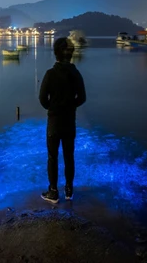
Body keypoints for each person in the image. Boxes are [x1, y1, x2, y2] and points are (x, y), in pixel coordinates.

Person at [39, 37, 86, 203]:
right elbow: (82, 98)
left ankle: (53, 191)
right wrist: (70, 105)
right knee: (69, 155)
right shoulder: (76, 73)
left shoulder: (50, 74)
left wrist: (53, 107)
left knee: (52, 156)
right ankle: (69, 190)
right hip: (69, 121)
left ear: (55, 53)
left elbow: (42, 98)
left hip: (54, 121)